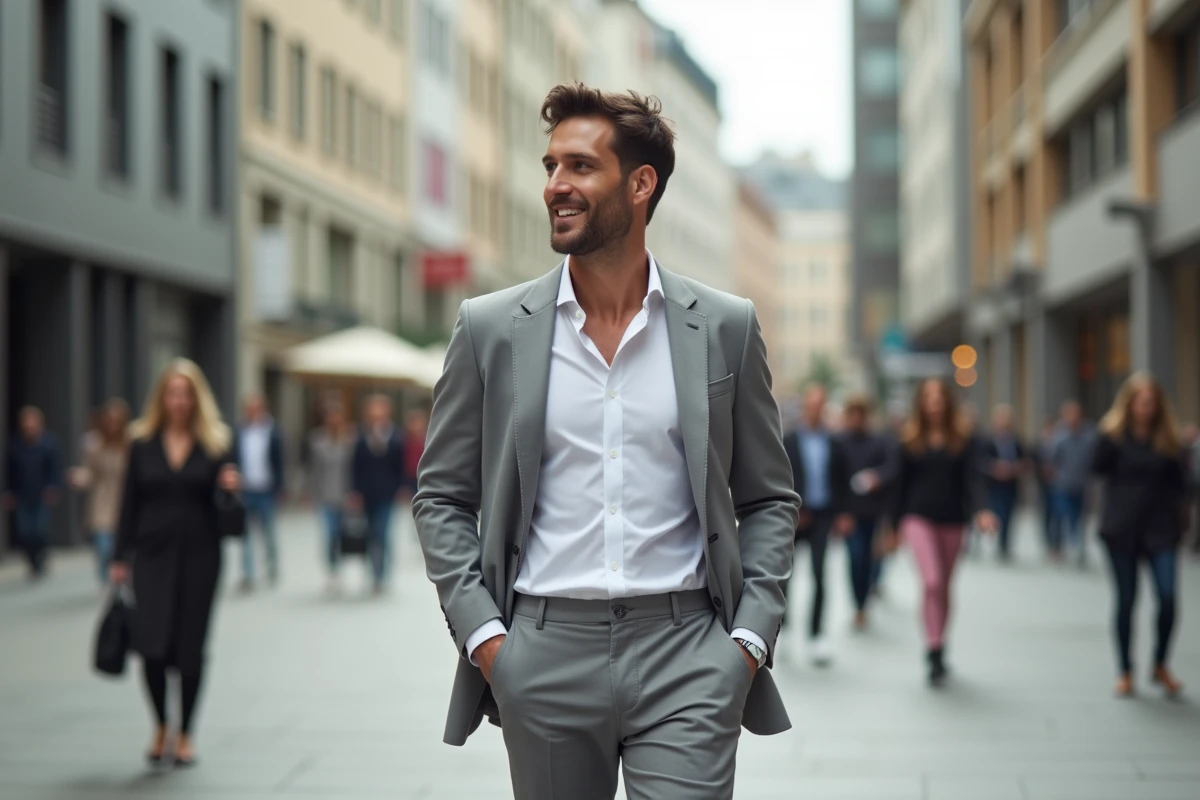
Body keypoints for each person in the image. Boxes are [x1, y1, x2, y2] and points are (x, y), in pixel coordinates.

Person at [413, 84, 798, 799]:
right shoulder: (490, 328)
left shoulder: (725, 326)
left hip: (689, 653)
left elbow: (769, 499)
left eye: (581, 166)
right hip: (542, 655)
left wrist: (746, 642)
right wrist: (488, 641)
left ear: (641, 184)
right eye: (551, 166)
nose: (555, 185)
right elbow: (441, 497)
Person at [109, 358, 240, 766]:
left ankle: (186, 733)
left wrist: (231, 493)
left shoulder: (216, 443)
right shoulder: (141, 443)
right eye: (172, 393)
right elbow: (128, 503)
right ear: (161, 398)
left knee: (190, 647)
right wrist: (119, 556)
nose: (179, 401)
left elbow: (233, 523)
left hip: (201, 556)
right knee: (151, 645)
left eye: (186, 394)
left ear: (197, 399)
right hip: (151, 555)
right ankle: (161, 725)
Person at [891, 378, 996, 687]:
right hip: (917, 518)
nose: (934, 404)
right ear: (921, 403)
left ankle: (939, 644)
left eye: (939, 398)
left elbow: (973, 480)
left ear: (948, 403)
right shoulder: (909, 439)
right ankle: (932, 647)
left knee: (945, 587)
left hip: (953, 520)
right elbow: (899, 486)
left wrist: (983, 511)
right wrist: (892, 527)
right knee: (932, 581)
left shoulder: (963, 439)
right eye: (929, 398)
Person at [1091, 373, 1187, 698]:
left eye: (1152, 402)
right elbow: (1096, 469)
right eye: (1142, 401)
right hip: (1122, 528)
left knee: (1168, 598)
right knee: (1127, 600)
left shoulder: (1169, 440)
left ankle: (1160, 663)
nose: (1147, 407)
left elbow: (1181, 484)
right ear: (1129, 403)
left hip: (1161, 528)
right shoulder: (1112, 437)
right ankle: (1125, 670)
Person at [782, 384, 851, 665]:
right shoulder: (789, 440)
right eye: (811, 404)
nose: (815, 410)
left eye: (820, 405)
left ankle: (817, 635)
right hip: (795, 515)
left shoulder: (834, 442)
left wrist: (844, 513)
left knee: (820, 574)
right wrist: (794, 507)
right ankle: (784, 628)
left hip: (823, 514)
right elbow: (779, 476)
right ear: (804, 407)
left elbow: (842, 479)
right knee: (784, 575)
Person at [836, 394, 898, 630]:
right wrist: (841, 512)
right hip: (850, 513)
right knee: (855, 557)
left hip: (875, 512)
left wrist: (876, 478)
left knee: (873, 558)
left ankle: (866, 599)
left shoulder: (879, 441)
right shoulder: (840, 442)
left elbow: (892, 469)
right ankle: (859, 605)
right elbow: (836, 479)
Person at [67, 398, 131, 587]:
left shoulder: (131, 444)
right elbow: (89, 472)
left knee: (122, 547)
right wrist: (78, 477)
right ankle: (107, 579)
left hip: (125, 501)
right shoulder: (95, 445)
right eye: (109, 421)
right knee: (104, 547)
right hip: (102, 502)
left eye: (117, 421)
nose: (113, 425)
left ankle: (120, 580)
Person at [350, 394, 406, 595]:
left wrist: (401, 487)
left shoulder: (395, 436)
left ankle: (381, 575)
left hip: (387, 493)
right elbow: (355, 466)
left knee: (382, 533)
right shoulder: (361, 435)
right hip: (367, 494)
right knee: (370, 534)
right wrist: (355, 491)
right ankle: (372, 572)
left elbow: (400, 465)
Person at [3, 406, 63, 579]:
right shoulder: (15, 445)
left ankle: (40, 559)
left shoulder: (49, 444)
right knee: (25, 531)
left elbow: (55, 468)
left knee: (40, 530)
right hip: (22, 494)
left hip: (41, 494)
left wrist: (53, 487)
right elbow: (9, 471)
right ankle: (31, 561)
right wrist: (8, 492)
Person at [235, 394, 284, 590]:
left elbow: (280, 461)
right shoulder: (239, 431)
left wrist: (280, 487)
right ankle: (248, 574)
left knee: (268, 532)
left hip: (266, 489)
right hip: (245, 489)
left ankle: (271, 567)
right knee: (245, 534)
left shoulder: (273, 432)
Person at [309, 400, 354, 594]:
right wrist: (312, 492)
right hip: (325, 496)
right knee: (329, 534)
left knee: (342, 535)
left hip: (345, 496)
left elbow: (354, 469)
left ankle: (339, 568)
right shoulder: (317, 440)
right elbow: (314, 470)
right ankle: (332, 570)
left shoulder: (350, 439)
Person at [1049, 400, 1096, 567]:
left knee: (1080, 518)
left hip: (1082, 484)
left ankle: (1079, 548)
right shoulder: (1059, 436)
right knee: (1061, 515)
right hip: (1062, 484)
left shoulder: (1089, 435)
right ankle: (1058, 546)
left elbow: (1094, 459)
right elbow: (1052, 459)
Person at [981, 404, 1028, 562]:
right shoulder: (988, 442)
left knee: (1009, 514)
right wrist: (995, 468)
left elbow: (1025, 461)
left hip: (1011, 485)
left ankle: (1005, 543)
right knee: (997, 512)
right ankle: (996, 539)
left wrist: (1014, 468)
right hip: (994, 485)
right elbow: (981, 462)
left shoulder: (1016, 442)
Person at [1034, 417, 1059, 559]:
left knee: (1058, 515)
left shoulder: (1059, 444)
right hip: (1043, 485)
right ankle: (1048, 543)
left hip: (1058, 485)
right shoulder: (1039, 445)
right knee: (1046, 515)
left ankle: (1057, 544)